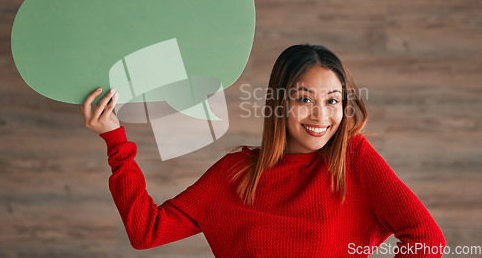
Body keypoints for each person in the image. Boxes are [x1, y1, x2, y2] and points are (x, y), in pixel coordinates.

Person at [81, 44, 446, 257]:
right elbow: (148, 231)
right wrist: (115, 140)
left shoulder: (355, 158)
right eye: (304, 99)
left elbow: (427, 241)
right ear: (278, 104)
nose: (321, 115)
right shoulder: (234, 173)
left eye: (333, 100)